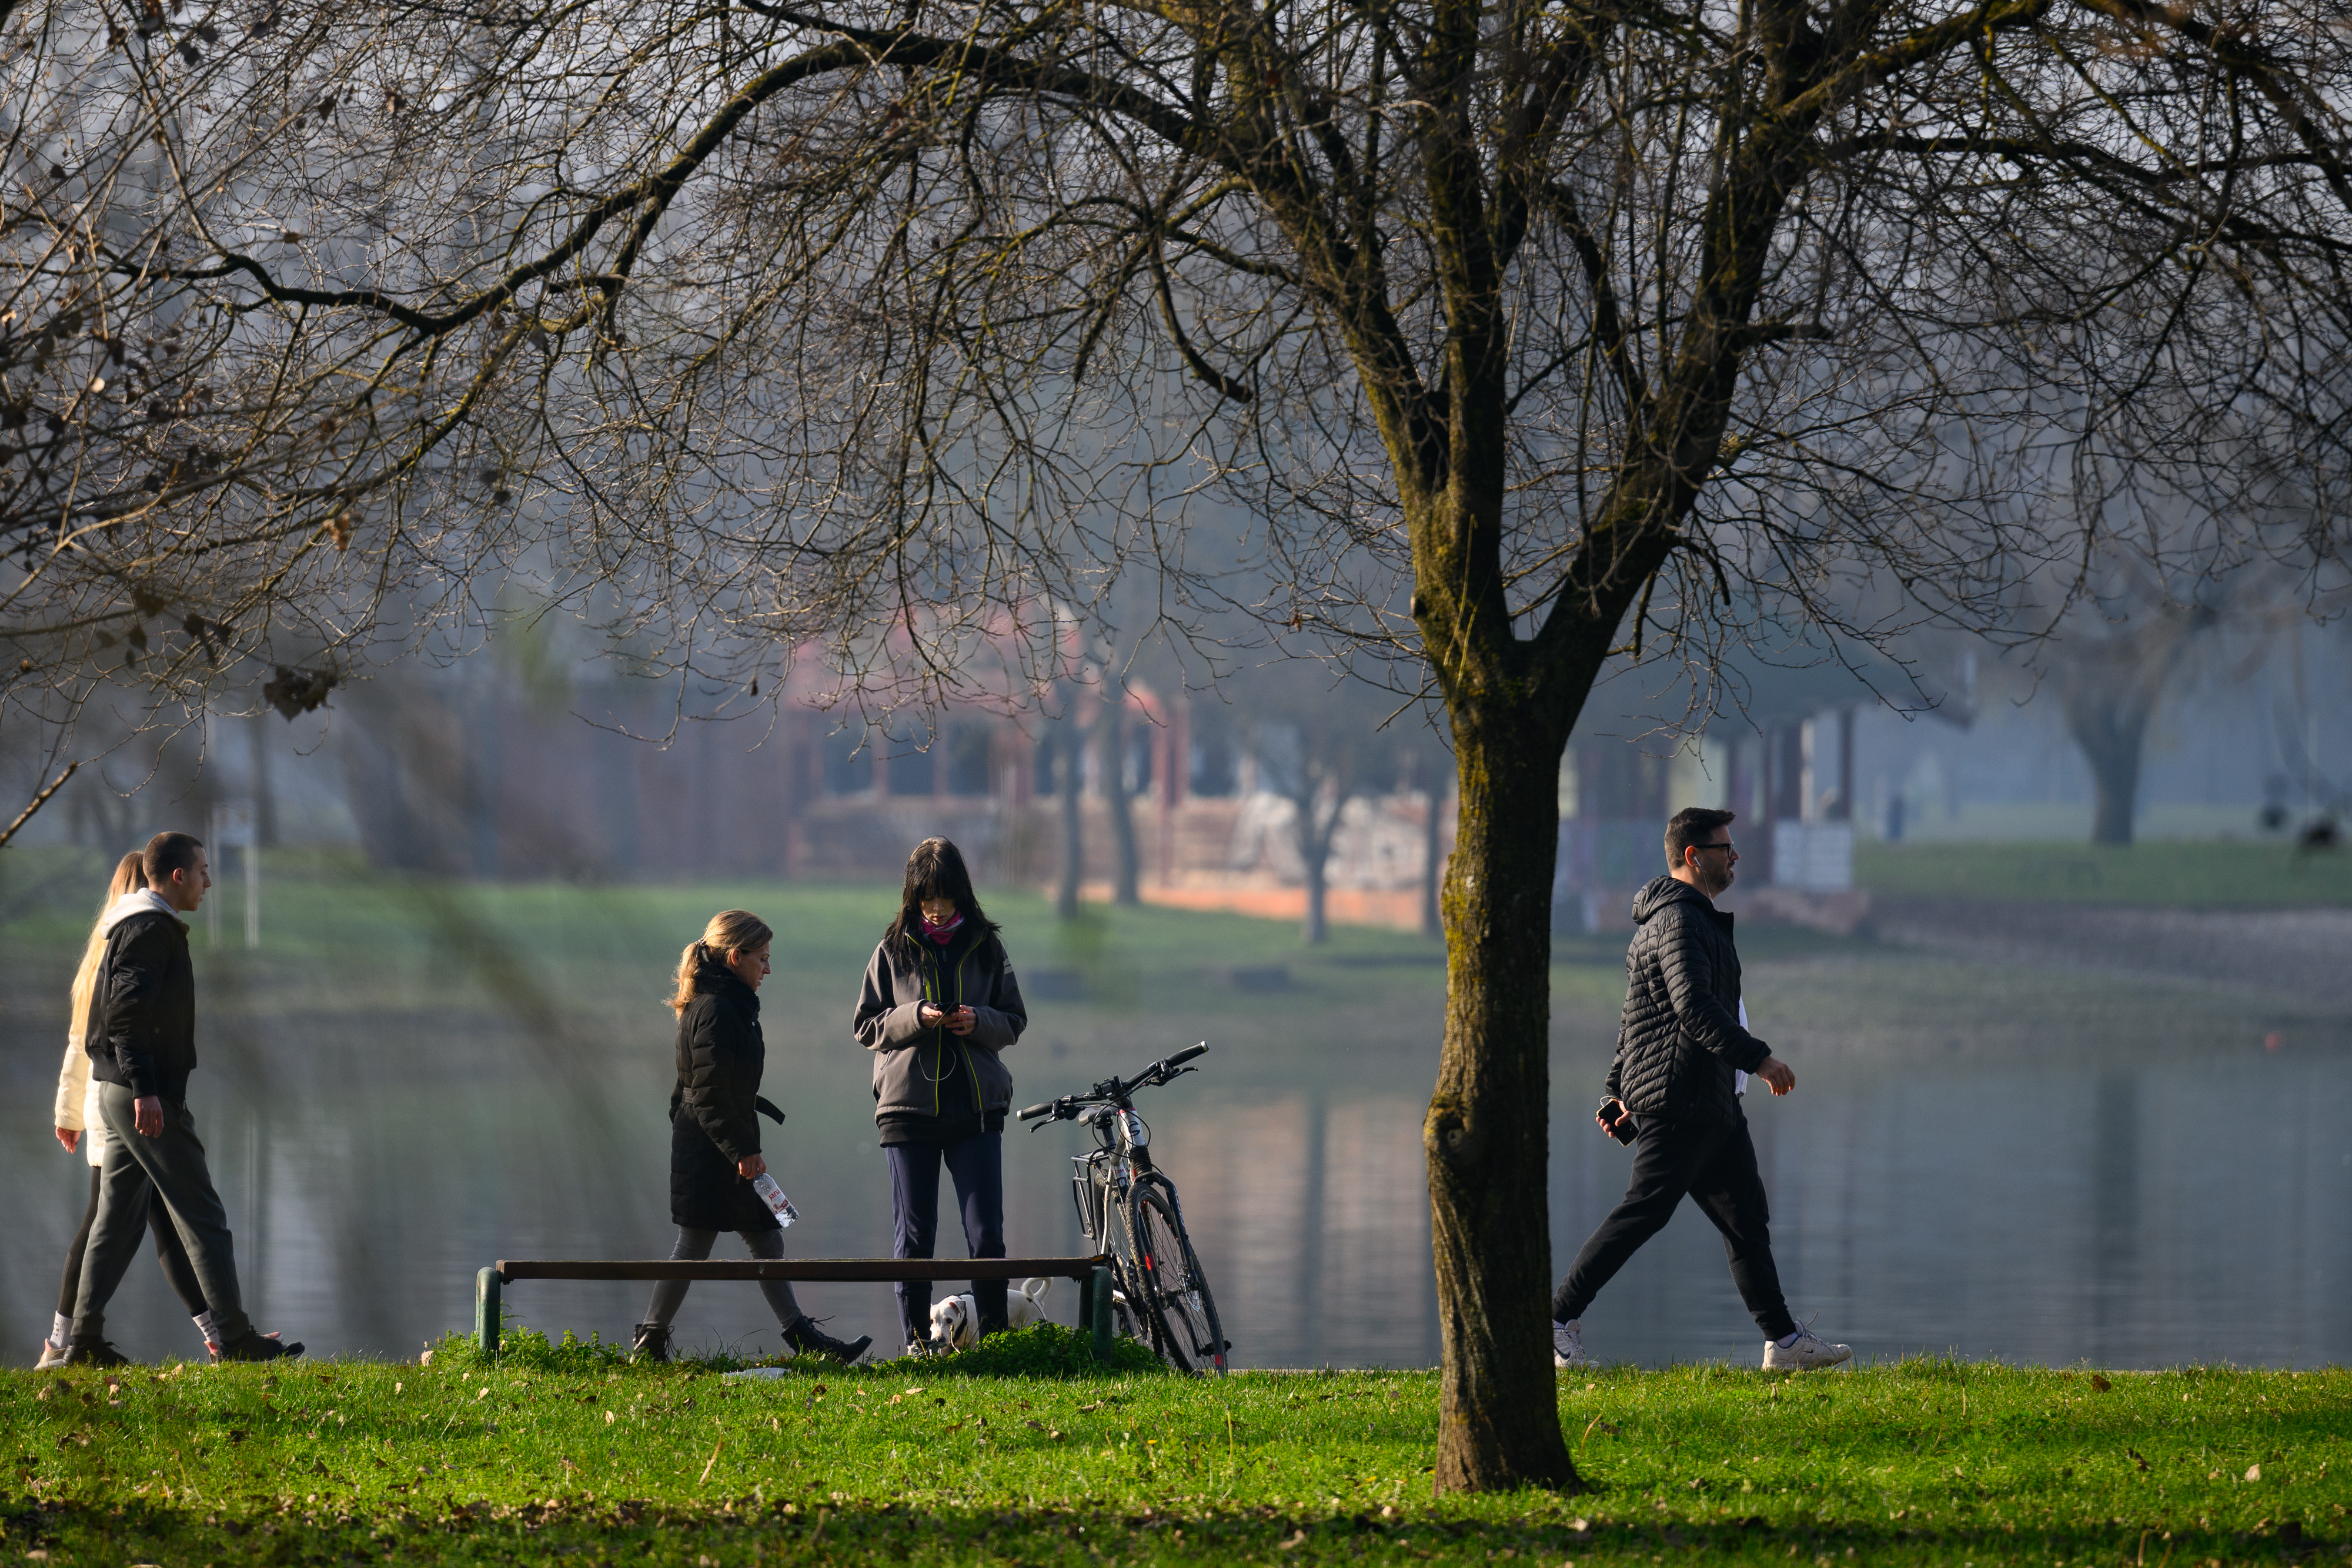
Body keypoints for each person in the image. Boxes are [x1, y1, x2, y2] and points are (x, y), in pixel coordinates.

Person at [1551, 807, 1853, 1372]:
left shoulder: (1689, 920)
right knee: (1645, 1210)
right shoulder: (1678, 922)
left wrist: (1615, 1088)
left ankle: (1784, 1341)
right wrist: (1759, 1058)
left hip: (1714, 1102)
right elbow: (1692, 1008)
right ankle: (1556, 1319)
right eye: (1724, 848)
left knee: (1746, 1219)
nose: (1734, 855)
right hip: (1682, 1099)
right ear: (1693, 856)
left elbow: (1638, 1017)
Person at [66, 831, 300, 1366]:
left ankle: (83, 1340)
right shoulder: (150, 928)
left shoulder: (136, 924)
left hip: (116, 1091)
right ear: (178, 875)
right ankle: (235, 1338)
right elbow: (127, 1015)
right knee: (202, 1213)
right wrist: (147, 1089)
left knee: (115, 1219)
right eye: (202, 871)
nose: (208, 882)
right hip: (140, 1095)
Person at [632, 910, 872, 1365]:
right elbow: (706, 1092)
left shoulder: (722, 1004)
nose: (768, 968)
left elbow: (690, 1090)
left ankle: (803, 1339)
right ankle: (651, 1340)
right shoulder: (718, 1009)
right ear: (735, 957)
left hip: (718, 1141)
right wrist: (741, 1148)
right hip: (715, 1148)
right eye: (762, 958)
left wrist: (727, 1138)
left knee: (764, 1236)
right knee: (695, 1245)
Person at [38, 853, 219, 1368]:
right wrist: (71, 1111)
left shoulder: (111, 947)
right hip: (122, 1102)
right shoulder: (128, 946)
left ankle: (217, 1333)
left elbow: (80, 1041)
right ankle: (62, 1341)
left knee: (139, 1219)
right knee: (117, 1221)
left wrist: (68, 1111)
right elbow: (89, 1037)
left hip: (110, 1104)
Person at [853, 838, 1027, 1356]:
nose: (936, 908)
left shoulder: (988, 947)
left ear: (961, 894)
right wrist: (917, 1017)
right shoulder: (891, 950)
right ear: (913, 896)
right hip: (907, 1112)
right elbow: (866, 1025)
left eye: (945, 898)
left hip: (977, 1111)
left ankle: (995, 1345)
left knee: (986, 1234)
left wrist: (978, 1021)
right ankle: (917, 1345)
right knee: (915, 1237)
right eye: (927, 898)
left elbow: (1014, 1019)